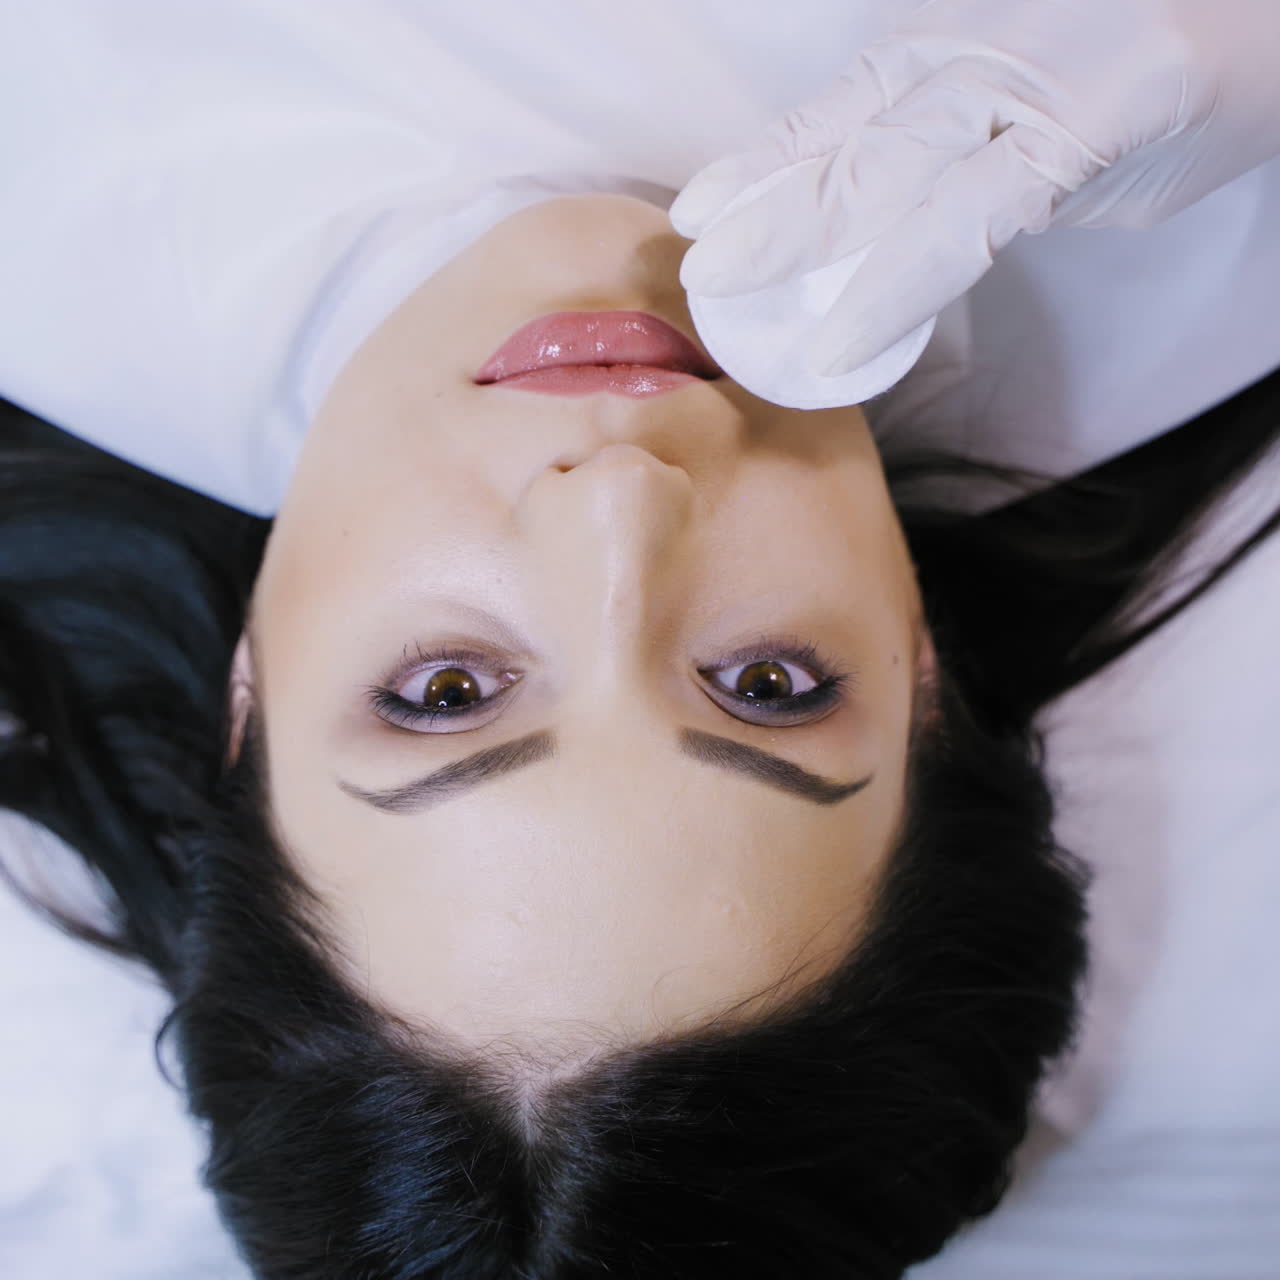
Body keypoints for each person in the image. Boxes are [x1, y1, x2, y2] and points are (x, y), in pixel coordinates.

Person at [0, 5, 1277, 1278]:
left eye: (445, 689)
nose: (617, 506)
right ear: (924, 676)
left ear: (246, 702)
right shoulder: (1190, 194)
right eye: (765, 685)